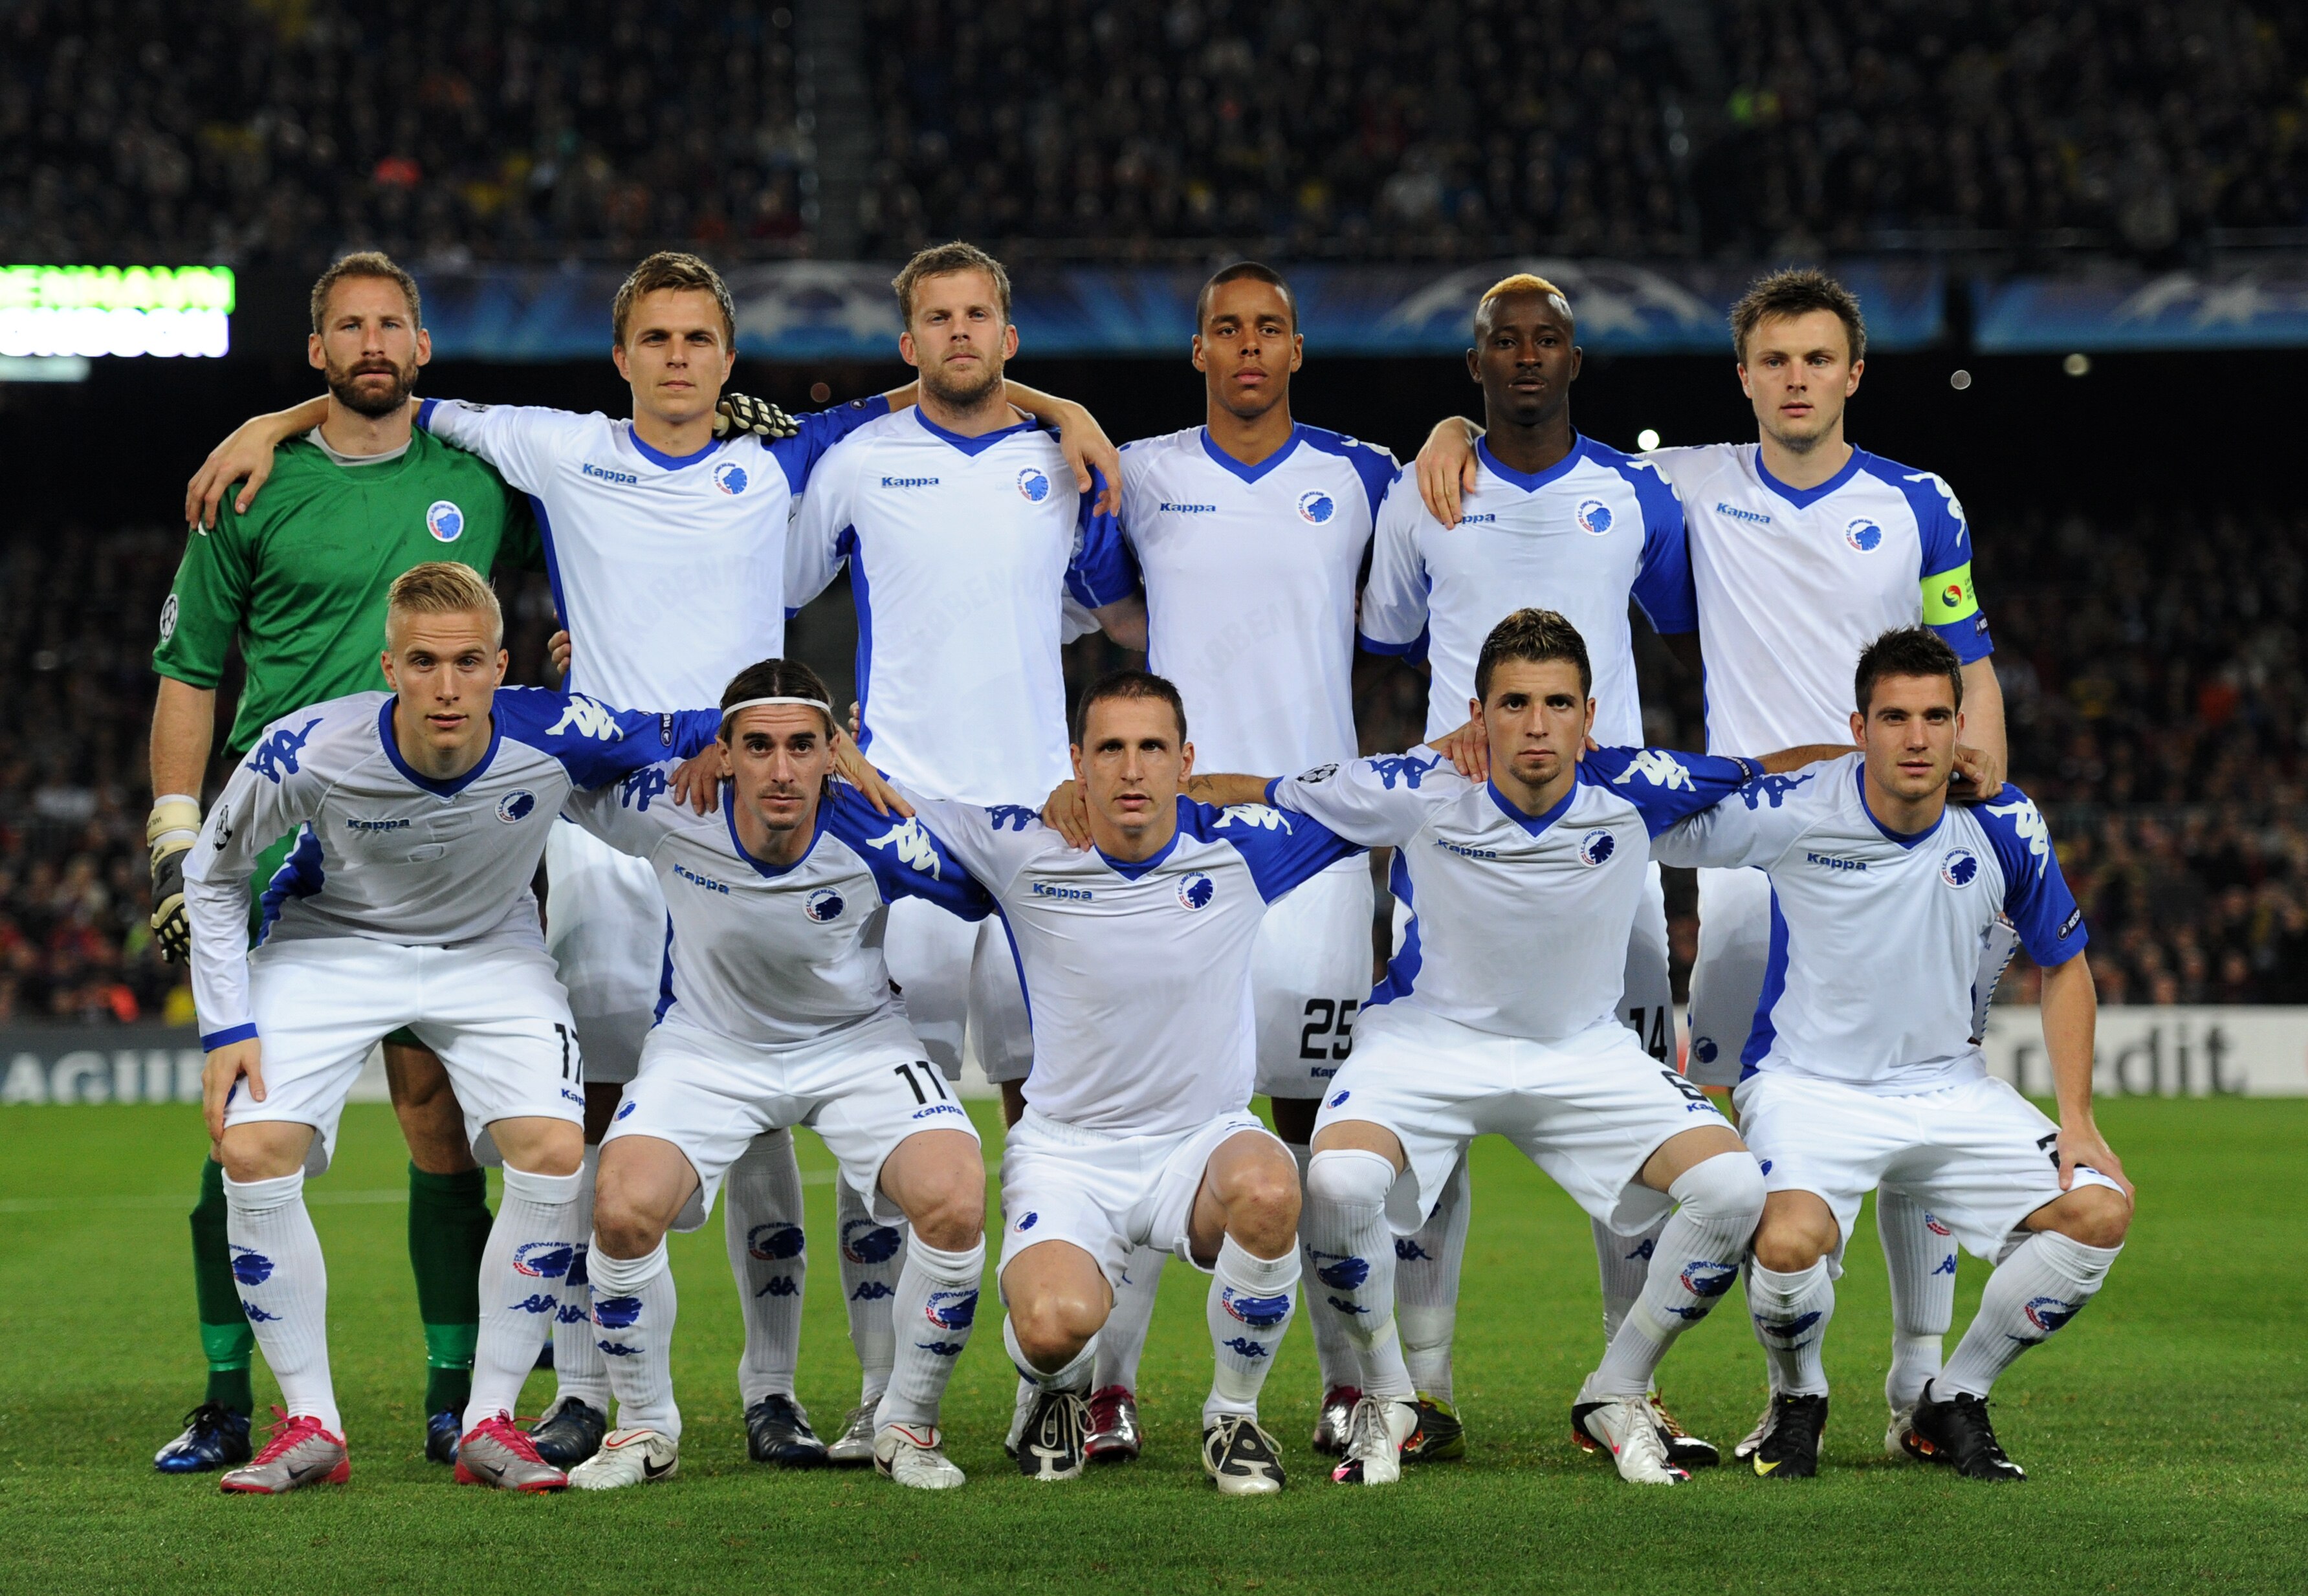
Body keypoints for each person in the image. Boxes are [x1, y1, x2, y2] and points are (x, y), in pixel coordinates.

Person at [184, 247, 1120, 1472]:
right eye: (656, 341)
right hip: (610, 819)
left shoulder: (774, 460)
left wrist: (1066, 408)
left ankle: (770, 1391)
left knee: (767, 1095)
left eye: (698, 342)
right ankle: (584, 1387)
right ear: (620, 359)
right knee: (599, 1111)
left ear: (726, 363)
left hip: (755, 809)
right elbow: (398, 391)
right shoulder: (562, 449)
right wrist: (276, 414)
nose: (678, 359)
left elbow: (938, 388)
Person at [1414, 267, 2010, 1462]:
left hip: (1897, 837)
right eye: (1773, 361)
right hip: (1751, 853)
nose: (1795, 380)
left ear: (1852, 371)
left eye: (1816, 359)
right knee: (1749, 1125)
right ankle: (1791, 1388)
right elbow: (1542, 440)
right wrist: (1455, 424)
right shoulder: (1679, 481)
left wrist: (1984, 759)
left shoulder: (1915, 502)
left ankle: (1919, 1384)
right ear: (1743, 377)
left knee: (1922, 1104)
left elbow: (1968, 650)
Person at [1196, 609, 1845, 1485]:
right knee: (1337, 1179)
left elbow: (1767, 770)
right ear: (1478, 713)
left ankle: (1617, 1388)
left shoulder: (1634, 783)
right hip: (1425, 1044)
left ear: (1587, 714)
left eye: (1554, 703)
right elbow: (1263, 789)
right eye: (1513, 702)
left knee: (1730, 1187)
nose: (1534, 723)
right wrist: (1114, 792)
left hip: (1580, 1052)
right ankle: (1389, 1398)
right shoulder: (1416, 784)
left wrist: (1899, 765)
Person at [182, 563, 723, 1493]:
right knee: (253, 1146)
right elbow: (212, 872)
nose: (446, 685)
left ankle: (490, 1420)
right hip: (331, 939)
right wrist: (225, 1023)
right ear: (387, 663)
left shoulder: (553, 728)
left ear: (500, 665)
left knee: (553, 1146)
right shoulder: (305, 747)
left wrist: (820, 732)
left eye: (468, 661)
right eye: (424, 662)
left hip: (488, 948)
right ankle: (310, 1422)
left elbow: (694, 727)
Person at [149, 251, 542, 1472]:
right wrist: (173, 837)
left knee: (439, 1119)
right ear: (316, 351)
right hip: (286, 838)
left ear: (422, 348)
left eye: (393, 325)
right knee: (240, 1122)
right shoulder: (250, 487)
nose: (373, 343)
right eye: (347, 327)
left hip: (454, 830)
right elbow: (189, 674)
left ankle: (450, 1397)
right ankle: (228, 1394)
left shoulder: (483, 478)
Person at [783, 240, 1145, 1457]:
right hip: (898, 827)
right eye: (933, 318)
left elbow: (1118, 606)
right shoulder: (855, 459)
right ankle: (886, 1393)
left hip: (1041, 831)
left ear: (1009, 335)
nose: (956, 335)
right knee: (886, 1126)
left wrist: (1070, 419)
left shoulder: (1065, 464)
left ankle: (1069, 1380)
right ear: (908, 344)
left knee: (1058, 1111)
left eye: (976, 314)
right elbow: (764, 588)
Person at [1357, 273, 1709, 1466]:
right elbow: (1389, 647)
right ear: (1474, 364)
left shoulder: (1633, 492)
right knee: (1425, 1121)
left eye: (1544, 338)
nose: (1522, 357)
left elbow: (1670, 621)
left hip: (1606, 849)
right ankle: (1427, 1389)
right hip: (1456, 847)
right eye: (1501, 341)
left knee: (1637, 1122)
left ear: (1574, 359)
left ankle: (1628, 1380)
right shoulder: (1421, 496)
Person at [1653, 627, 2131, 1480]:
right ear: (1858, 726)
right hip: (1806, 1086)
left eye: (1933, 716)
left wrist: (2077, 1119)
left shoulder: (2003, 819)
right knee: (1790, 1240)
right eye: (1893, 717)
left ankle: (1952, 1396)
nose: (1915, 737)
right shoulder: (1801, 805)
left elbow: (2064, 967)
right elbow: (1661, 822)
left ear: (1959, 728)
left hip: (1946, 1087)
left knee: (2099, 1211)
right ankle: (1795, 1398)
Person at [1062, 260, 1396, 1463]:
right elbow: (1091, 605)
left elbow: (1414, 605)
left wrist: (1457, 424)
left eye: (1268, 329)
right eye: (1225, 330)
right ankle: (1109, 1391)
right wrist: (1060, 411)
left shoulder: (1362, 477)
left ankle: (1348, 1385)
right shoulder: (1144, 474)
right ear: (1195, 351)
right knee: (1152, 1128)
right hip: (1170, 856)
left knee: (1318, 1147)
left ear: (1296, 349)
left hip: (1310, 853)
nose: (1247, 347)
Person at [896, 671, 1361, 1494]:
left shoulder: (1241, 848)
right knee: (1048, 1327)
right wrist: (839, 758)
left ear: (1186, 763)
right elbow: (898, 812)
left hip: (1201, 1140)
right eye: (1111, 749)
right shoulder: (1024, 850)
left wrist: (1468, 750)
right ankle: (1052, 1389)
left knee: (1272, 1186)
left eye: (1152, 748)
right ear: (1078, 764)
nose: (1132, 769)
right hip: (1069, 1155)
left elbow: (1371, 803)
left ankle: (1233, 1417)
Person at [554, 660, 995, 1491]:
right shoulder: (670, 806)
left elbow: (995, 878)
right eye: (758, 747)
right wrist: (662, 729)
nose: (782, 770)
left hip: (857, 1043)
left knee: (956, 1197)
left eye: (803, 746)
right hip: (709, 1047)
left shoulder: (878, 827)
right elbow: (549, 760)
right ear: (724, 753)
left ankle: (904, 1419)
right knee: (619, 1209)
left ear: (835, 752)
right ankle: (646, 1427)